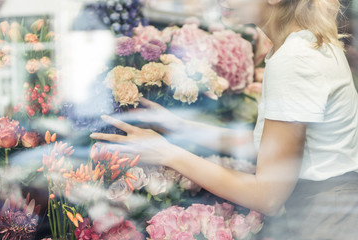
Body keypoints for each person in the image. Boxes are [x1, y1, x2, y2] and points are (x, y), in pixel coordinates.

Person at [90, 0, 358, 239]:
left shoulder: (294, 60)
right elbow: (270, 147)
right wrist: (180, 127)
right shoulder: (306, 43)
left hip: (326, 219)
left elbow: (268, 196)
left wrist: (166, 153)